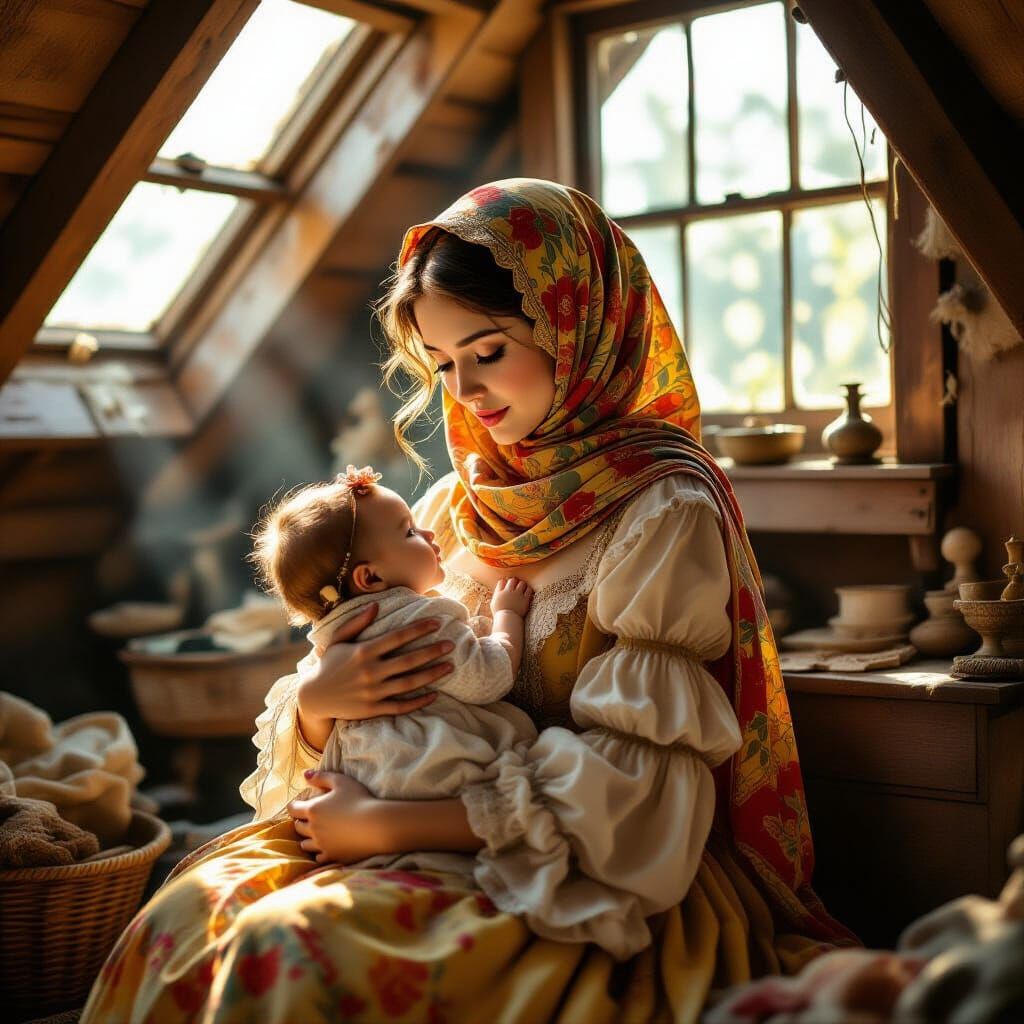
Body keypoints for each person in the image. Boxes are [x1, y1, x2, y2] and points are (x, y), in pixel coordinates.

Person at [83, 178, 855, 1024]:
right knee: (189, 912)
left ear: (581, 328)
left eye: (487, 352)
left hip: (588, 872)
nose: (466, 391)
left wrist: (386, 826)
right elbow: (366, 729)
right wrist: (315, 705)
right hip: (413, 823)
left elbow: (646, 799)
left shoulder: (661, 508)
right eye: (444, 364)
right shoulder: (456, 505)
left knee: (290, 948)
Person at [245, 462, 537, 878]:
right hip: (422, 778)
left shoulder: (330, 635)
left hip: (357, 784)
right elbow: (488, 677)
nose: (431, 534)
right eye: (410, 532)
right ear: (370, 577)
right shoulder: (422, 618)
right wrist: (506, 617)